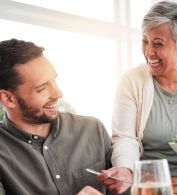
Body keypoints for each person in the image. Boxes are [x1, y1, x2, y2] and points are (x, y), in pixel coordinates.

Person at [97, 1, 177, 194]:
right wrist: (126, 169)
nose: (148, 52)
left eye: (158, 44)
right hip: (141, 182)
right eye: (144, 41)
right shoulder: (132, 80)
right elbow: (125, 137)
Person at [0, 39, 112, 195]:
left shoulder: (92, 129)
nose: (58, 94)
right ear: (8, 99)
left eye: (54, 81)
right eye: (42, 88)